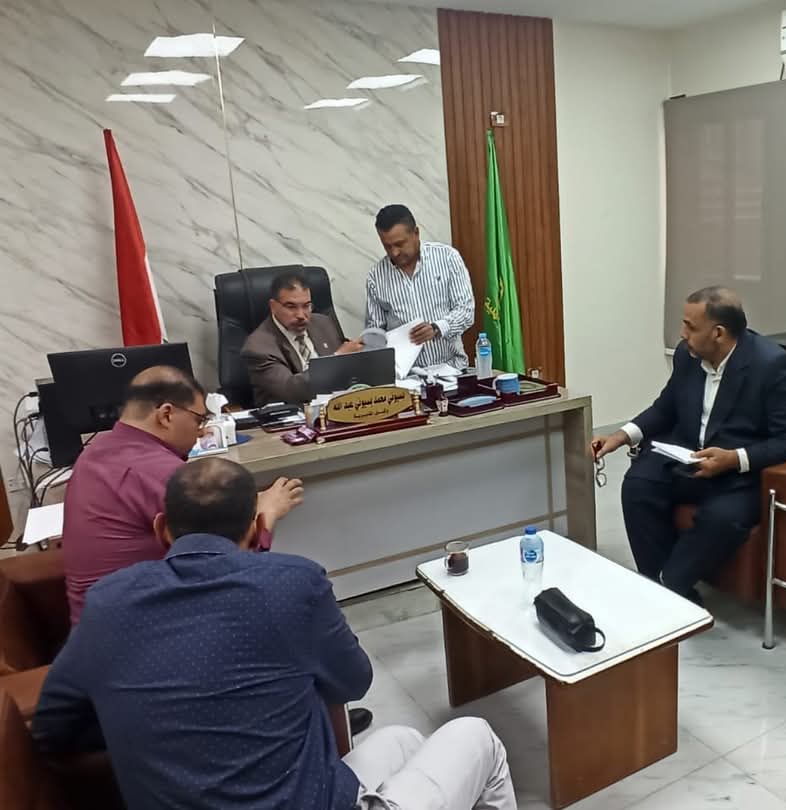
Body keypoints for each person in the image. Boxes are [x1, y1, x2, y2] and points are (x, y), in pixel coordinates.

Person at [33, 457, 517, 810]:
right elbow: (354, 681)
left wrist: (149, 718)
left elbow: (55, 729)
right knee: (478, 736)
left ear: (162, 529)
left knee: (404, 740)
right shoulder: (291, 583)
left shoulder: (108, 601)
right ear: (254, 527)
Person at [593, 287, 786, 603]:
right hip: (687, 457)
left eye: (690, 326)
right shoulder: (688, 356)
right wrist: (620, 436)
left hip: (739, 474)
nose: (682, 335)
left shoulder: (772, 365)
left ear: (718, 333)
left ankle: (670, 586)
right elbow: (665, 408)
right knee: (638, 485)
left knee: (721, 519)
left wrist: (733, 459)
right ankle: (660, 586)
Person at [60, 365, 302, 626]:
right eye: (199, 420)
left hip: (98, 625)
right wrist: (266, 515)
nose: (202, 432)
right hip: (146, 628)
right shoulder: (159, 473)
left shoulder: (96, 451)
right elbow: (228, 570)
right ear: (166, 415)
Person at [366, 204, 475, 370]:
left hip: (452, 369)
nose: (394, 252)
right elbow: (375, 332)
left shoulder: (447, 258)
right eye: (387, 246)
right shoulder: (376, 277)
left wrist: (437, 328)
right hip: (407, 377)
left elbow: (466, 311)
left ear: (416, 233)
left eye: (399, 244)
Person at [243, 270, 364, 406]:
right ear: (273, 306)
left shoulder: (323, 323)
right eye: (291, 307)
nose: (301, 315)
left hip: (337, 406)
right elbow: (291, 390)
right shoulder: (258, 347)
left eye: (306, 306)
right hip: (293, 414)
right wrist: (337, 359)